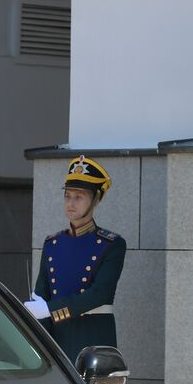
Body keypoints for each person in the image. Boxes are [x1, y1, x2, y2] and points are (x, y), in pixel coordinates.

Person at [26, 155, 127, 366]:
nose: (71, 203)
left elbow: (100, 294)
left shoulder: (111, 244)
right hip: (56, 344)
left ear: (96, 199)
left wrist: (50, 310)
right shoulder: (52, 244)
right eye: (67, 196)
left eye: (79, 197)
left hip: (92, 342)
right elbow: (42, 293)